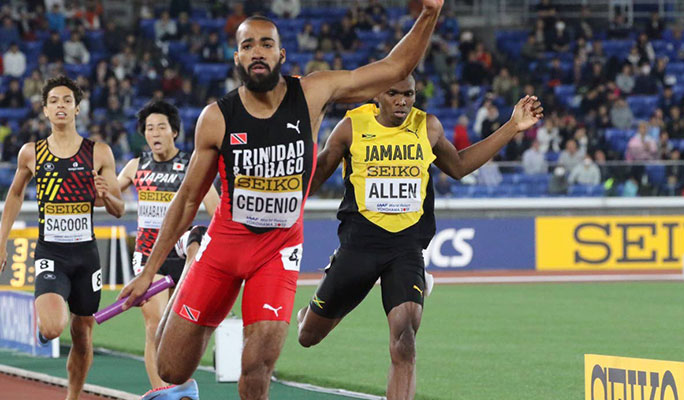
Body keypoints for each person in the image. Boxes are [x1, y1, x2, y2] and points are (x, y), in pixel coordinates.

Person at [118, 3, 445, 398]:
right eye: (249, 44)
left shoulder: (311, 93)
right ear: (237, 56)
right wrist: (149, 272)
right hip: (224, 244)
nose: (258, 51)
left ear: (280, 55)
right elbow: (187, 199)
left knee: (258, 365)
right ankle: (192, 264)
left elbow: (393, 69)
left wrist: (429, 12)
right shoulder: (216, 118)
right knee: (172, 369)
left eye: (267, 43)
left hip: (278, 249)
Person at [295, 76, 542, 399]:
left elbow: (459, 166)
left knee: (405, 340)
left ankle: (411, 280)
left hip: (405, 248)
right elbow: (312, 181)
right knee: (307, 336)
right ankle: (319, 299)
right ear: (375, 95)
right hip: (359, 247)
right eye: (393, 93)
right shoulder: (351, 127)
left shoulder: (428, 127)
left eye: (408, 94)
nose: (402, 101)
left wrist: (512, 126)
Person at [0, 76, 124, 400]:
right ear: (44, 110)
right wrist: (0, 242)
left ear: (77, 108)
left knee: (82, 334)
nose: (60, 106)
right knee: (54, 327)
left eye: (67, 100)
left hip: (86, 255)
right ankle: (45, 325)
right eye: (54, 101)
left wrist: (106, 196)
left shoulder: (99, 152)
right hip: (50, 252)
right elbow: (14, 195)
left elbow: (119, 208)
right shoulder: (32, 153)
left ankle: (72, 396)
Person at [116, 100, 219, 391]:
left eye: (161, 126)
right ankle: (163, 394)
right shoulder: (136, 166)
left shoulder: (191, 166)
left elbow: (215, 209)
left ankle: (178, 387)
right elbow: (109, 194)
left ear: (174, 131)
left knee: (177, 331)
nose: (155, 133)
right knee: (155, 324)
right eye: (149, 128)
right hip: (149, 255)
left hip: (181, 251)